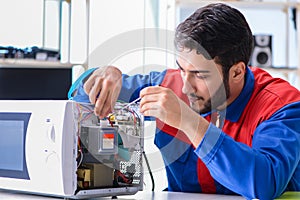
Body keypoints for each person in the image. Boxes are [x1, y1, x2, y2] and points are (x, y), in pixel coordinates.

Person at [68, 3, 300, 199]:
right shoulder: (169, 84)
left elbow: (264, 183)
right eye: (182, 69)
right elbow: (80, 98)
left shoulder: (281, 105)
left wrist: (189, 122)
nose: (186, 86)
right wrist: (102, 75)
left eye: (200, 75)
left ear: (237, 72)